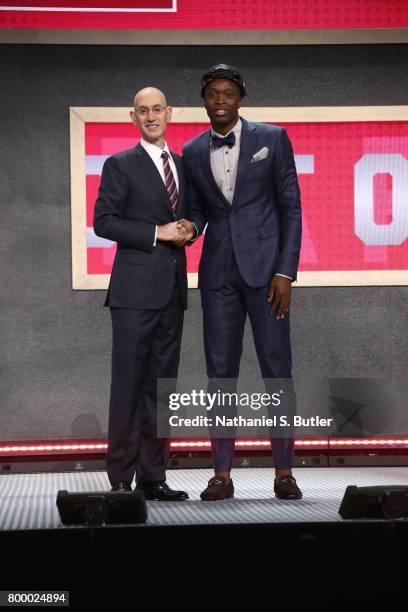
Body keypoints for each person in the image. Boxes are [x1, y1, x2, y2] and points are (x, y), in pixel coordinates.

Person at [180, 64, 303, 501]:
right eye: (212, 94)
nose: (219, 101)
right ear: (204, 100)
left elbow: (291, 208)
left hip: (269, 274)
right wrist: (187, 230)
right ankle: (221, 474)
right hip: (218, 275)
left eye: (227, 93)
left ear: (240, 98)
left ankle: (284, 472)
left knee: (277, 371)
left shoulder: (272, 138)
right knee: (220, 374)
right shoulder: (192, 150)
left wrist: (286, 272)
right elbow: (195, 211)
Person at [93, 87, 189, 501]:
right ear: (132, 118)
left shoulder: (183, 166)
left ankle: (154, 476)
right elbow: (104, 222)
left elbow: (196, 213)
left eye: (157, 110)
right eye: (142, 111)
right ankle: (121, 478)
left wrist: (191, 228)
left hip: (171, 293)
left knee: (161, 388)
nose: (151, 116)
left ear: (169, 114)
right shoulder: (120, 165)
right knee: (129, 386)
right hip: (133, 294)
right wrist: (157, 233)